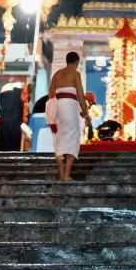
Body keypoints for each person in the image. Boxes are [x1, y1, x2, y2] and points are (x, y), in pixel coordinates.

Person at [47, 51, 90, 180]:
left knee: (59, 138)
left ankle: (61, 173)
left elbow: (50, 94)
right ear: (76, 62)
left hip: (57, 106)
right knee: (72, 138)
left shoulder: (57, 74)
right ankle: (66, 175)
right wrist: (86, 113)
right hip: (70, 107)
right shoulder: (76, 74)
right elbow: (81, 96)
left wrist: (52, 110)